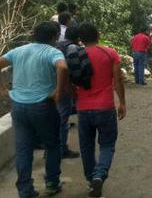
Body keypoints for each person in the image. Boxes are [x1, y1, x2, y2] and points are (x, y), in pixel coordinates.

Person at [0, 22, 68, 197]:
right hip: (43, 105)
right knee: (52, 145)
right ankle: (52, 183)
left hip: (19, 107)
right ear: (54, 37)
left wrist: (3, 90)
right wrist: (58, 91)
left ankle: (25, 190)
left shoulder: (19, 51)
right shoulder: (53, 52)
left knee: (23, 148)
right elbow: (62, 66)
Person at [76, 22, 127, 198]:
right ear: (98, 35)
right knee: (107, 145)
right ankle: (99, 175)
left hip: (83, 109)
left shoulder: (76, 55)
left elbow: (69, 81)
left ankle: (92, 181)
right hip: (105, 107)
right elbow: (118, 80)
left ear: (80, 39)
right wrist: (122, 103)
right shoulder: (110, 53)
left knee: (86, 147)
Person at [56, 27, 90, 160]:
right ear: (78, 37)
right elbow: (76, 71)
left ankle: (52, 148)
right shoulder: (73, 48)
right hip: (65, 87)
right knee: (62, 119)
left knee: (55, 118)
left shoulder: (57, 46)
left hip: (51, 86)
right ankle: (61, 149)